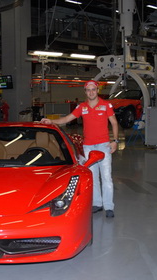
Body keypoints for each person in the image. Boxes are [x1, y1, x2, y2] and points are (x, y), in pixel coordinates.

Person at [41, 80, 118, 218]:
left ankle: (109, 206)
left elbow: (114, 122)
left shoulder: (106, 105)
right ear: (85, 92)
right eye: (88, 90)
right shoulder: (82, 107)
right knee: (93, 177)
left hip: (104, 145)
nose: (91, 92)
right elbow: (67, 119)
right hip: (88, 146)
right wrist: (51, 121)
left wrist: (115, 141)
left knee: (106, 176)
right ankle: (97, 203)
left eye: (93, 89)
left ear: (97, 90)